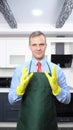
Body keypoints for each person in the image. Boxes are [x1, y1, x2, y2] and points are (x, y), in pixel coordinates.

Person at [8, 31, 71, 130]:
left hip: (49, 124)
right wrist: (19, 91)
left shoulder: (56, 70)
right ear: (30, 46)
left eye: (41, 44)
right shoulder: (20, 69)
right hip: (26, 124)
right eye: (34, 45)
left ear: (45, 46)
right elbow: (11, 99)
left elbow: (68, 99)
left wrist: (57, 90)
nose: (38, 48)